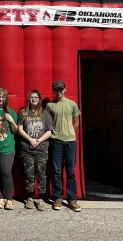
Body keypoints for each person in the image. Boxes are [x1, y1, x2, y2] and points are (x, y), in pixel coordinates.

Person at [47, 80, 81, 212]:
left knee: (71, 171)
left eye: (61, 89)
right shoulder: (50, 105)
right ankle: (58, 198)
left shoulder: (72, 104)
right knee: (56, 171)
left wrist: (70, 132)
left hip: (70, 141)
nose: (59, 91)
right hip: (55, 141)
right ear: (53, 90)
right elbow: (48, 123)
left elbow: (77, 121)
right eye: (56, 89)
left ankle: (72, 199)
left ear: (65, 89)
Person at [18, 90, 53, 211]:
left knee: (41, 174)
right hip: (26, 149)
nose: (34, 99)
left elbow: (49, 131)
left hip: (41, 149)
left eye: (36, 97)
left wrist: (38, 141)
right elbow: (20, 129)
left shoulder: (45, 114)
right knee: (29, 174)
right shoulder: (23, 113)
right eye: (31, 97)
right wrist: (30, 140)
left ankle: (41, 199)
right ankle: (30, 198)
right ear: (29, 99)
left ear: (39, 99)